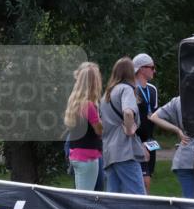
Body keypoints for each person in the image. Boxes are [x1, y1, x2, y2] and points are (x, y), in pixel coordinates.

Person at [100, 57, 146, 195]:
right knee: (138, 196)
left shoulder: (106, 95)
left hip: (109, 152)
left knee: (114, 198)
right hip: (125, 151)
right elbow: (128, 112)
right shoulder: (126, 89)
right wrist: (130, 129)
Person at [63, 62, 104, 191]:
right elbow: (99, 130)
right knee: (85, 198)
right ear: (94, 82)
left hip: (76, 154)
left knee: (81, 194)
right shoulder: (89, 105)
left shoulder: (75, 102)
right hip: (88, 157)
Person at [147, 95, 194, 198]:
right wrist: (177, 130)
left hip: (184, 158)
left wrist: (177, 130)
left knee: (191, 201)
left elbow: (154, 117)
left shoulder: (179, 100)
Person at [132, 53, 159, 192]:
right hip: (135, 141)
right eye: (152, 67)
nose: (154, 71)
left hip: (150, 141)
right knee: (142, 180)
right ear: (142, 69)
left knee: (148, 179)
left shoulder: (152, 90)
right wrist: (138, 143)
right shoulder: (131, 89)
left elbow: (155, 115)